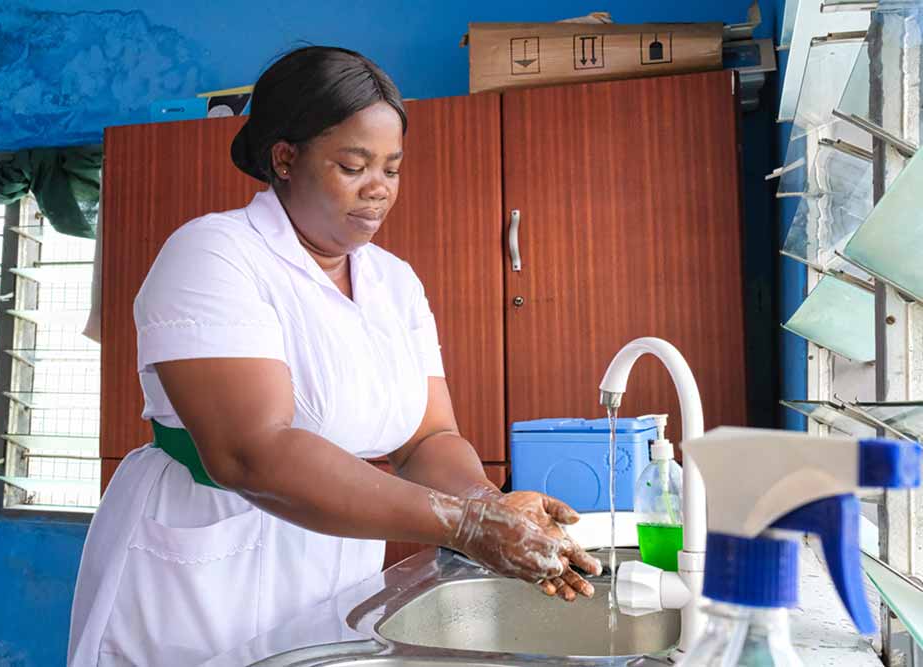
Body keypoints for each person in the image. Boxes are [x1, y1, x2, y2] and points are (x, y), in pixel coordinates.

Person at [68, 46, 600, 666]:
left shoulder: (395, 282)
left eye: (393, 169)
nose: (378, 190)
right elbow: (253, 452)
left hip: (336, 560)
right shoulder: (214, 254)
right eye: (354, 165)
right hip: (205, 569)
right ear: (285, 159)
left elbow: (427, 437)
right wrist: (461, 526)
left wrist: (484, 502)